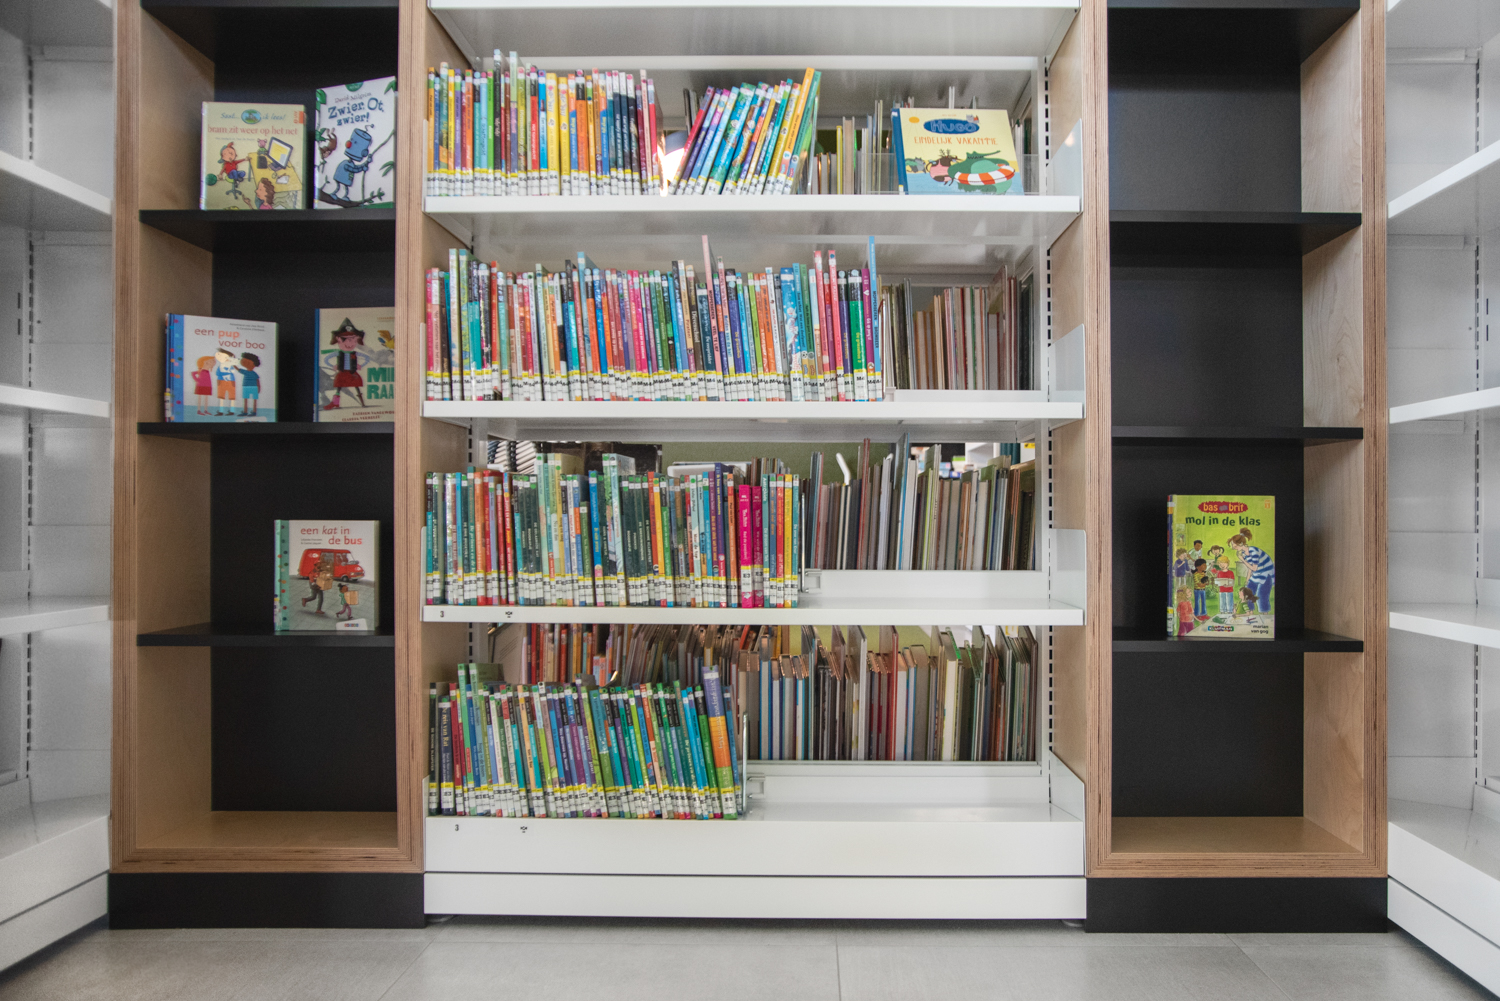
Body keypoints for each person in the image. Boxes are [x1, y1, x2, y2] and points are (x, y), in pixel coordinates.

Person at [323, 318, 368, 409]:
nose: (349, 342)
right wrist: (333, 366)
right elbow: (326, 359)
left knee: (357, 387)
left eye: (352, 339)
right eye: (345, 339)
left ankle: (362, 403)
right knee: (339, 388)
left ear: (356, 340)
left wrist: (360, 365)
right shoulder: (338, 353)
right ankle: (335, 403)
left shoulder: (355, 353)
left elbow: (367, 358)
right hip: (342, 373)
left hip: (352, 373)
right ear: (338, 340)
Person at [1229, 528, 1275, 614]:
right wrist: (1247, 580)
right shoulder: (1244, 553)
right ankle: (1250, 613)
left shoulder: (1253, 551)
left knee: (1261, 595)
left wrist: (1242, 559)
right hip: (1257, 574)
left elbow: (1254, 568)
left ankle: (1265, 614)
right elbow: (1250, 568)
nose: (1233, 548)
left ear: (1241, 544)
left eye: (1235, 546)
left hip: (1266, 575)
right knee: (1247, 593)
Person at [212, 347, 237, 416]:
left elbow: (232, 372)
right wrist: (224, 374)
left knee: (231, 396)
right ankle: (221, 411)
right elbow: (217, 373)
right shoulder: (221, 366)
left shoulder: (230, 366)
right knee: (221, 397)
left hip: (230, 381)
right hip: (222, 381)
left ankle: (231, 410)